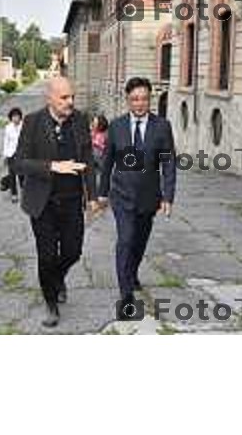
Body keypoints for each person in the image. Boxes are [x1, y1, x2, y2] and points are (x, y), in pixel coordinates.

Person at [15, 77, 98, 327]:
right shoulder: (32, 122)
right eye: (64, 98)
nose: (70, 102)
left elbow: (88, 160)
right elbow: (19, 162)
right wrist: (53, 166)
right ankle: (51, 304)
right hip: (43, 204)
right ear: (49, 97)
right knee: (47, 256)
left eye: (71, 96)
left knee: (73, 251)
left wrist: (92, 196)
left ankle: (57, 278)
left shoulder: (81, 120)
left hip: (72, 201)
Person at [98, 77, 176, 321]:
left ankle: (131, 273)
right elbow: (107, 161)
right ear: (127, 100)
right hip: (121, 196)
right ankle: (126, 297)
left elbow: (168, 163)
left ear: (150, 99)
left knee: (139, 242)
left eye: (144, 98)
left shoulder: (162, 126)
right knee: (125, 240)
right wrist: (101, 193)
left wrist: (168, 196)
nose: (139, 104)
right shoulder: (117, 126)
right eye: (134, 99)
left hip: (148, 198)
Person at [2, 107, 24, 203]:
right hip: (11, 154)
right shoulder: (8, 127)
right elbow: (6, 142)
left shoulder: (24, 126)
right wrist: (5, 155)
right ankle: (14, 195)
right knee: (12, 175)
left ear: (20, 117)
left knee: (22, 175)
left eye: (17, 116)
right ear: (11, 118)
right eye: (13, 117)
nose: (15, 119)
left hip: (22, 154)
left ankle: (24, 193)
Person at [91, 114, 109, 191]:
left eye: (95, 122)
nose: (93, 123)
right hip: (97, 157)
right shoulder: (95, 132)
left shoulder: (102, 135)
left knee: (99, 175)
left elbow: (98, 146)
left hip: (99, 157)